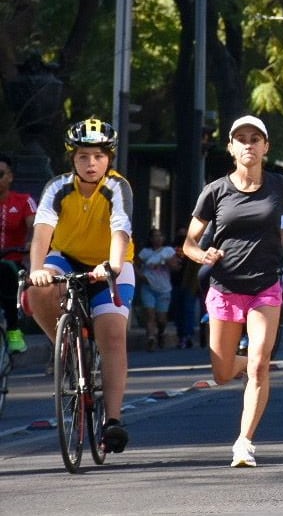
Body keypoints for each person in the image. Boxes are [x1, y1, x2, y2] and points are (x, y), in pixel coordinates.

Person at [181, 115, 283, 466]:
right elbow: (188, 242)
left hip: (265, 286)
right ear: (231, 148)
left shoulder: (280, 186)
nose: (249, 144)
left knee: (260, 366)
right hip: (225, 286)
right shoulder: (215, 191)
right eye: (241, 139)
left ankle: (244, 442)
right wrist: (203, 253)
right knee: (221, 373)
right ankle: (246, 363)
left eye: (255, 138)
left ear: (265, 147)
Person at [25, 118, 136, 453]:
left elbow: (121, 229)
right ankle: (64, 348)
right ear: (72, 159)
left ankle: (113, 421)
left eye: (99, 156)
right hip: (68, 256)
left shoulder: (118, 187)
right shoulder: (57, 187)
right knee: (38, 287)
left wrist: (113, 265)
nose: (91, 164)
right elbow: (42, 232)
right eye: (84, 156)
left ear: (109, 159)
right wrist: (35, 269)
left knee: (113, 334)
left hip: (109, 263)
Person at [0, 152, 36, 353]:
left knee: (5, 275)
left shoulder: (24, 201)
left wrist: (31, 241)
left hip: (12, 262)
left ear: (10, 177)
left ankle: (14, 331)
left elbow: (34, 224)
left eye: (0, 174)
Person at [136, 228, 176, 351]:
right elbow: (134, 264)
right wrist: (140, 276)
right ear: (150, 239)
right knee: (150, 315)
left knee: (161, 319)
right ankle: (151, 338)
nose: (158, 239)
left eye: (160, 236)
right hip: (148, 287)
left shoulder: (168, 251)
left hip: (164, 289)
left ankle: (161, 333)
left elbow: (176, 267)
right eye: (155, 236)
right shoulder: (145, 252)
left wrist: (164, 262)